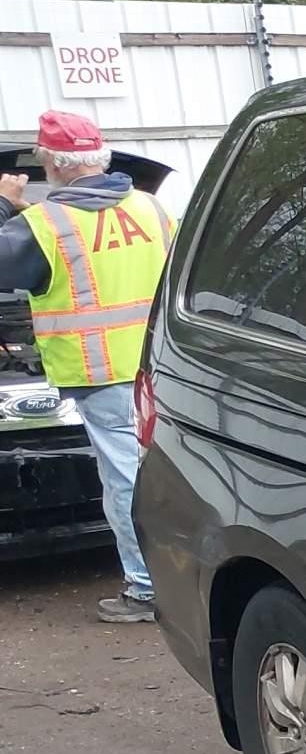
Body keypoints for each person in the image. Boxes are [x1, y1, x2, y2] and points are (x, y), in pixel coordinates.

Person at [0, 110, 176, 621]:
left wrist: (5, 205)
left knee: (124, 481)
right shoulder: (153, 208)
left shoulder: (45, 222)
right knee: (171, 475)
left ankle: (145, 589)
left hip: (102, 374)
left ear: (52, 163)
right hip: (166, 365)